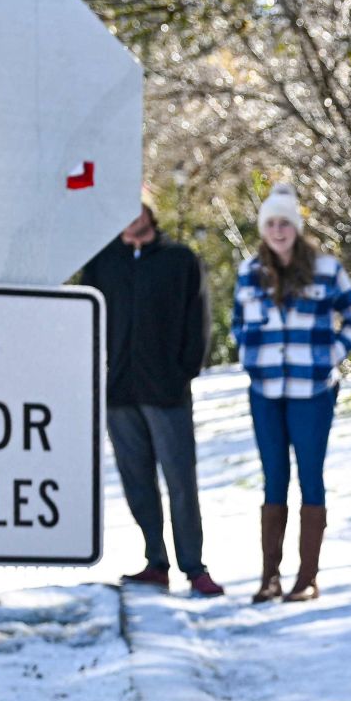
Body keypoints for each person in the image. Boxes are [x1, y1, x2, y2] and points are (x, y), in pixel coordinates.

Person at [231, 183, 351, 603]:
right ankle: (269, 576)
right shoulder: (249, 271)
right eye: (270, 223)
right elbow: (238, 322)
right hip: (266, 390)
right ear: (263, 229)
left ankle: (306, 577)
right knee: (274, 478)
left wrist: (332, 354)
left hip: (312, 390)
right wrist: (249, 355)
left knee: (311, 476)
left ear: (296, 227)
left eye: (284, 223)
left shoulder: (326, 270)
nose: (278, 230)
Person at [81, 202, 224, 597]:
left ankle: (194, 567)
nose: (130, 215)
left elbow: (198, 321)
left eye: (137, 206)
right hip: (119, 394)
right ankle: (155, 561)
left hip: (167, 394)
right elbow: (84, 318)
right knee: (137, 483)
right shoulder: (102, 262)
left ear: (151, 211)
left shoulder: (179, 260)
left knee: (180, 482)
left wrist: (183, 373)